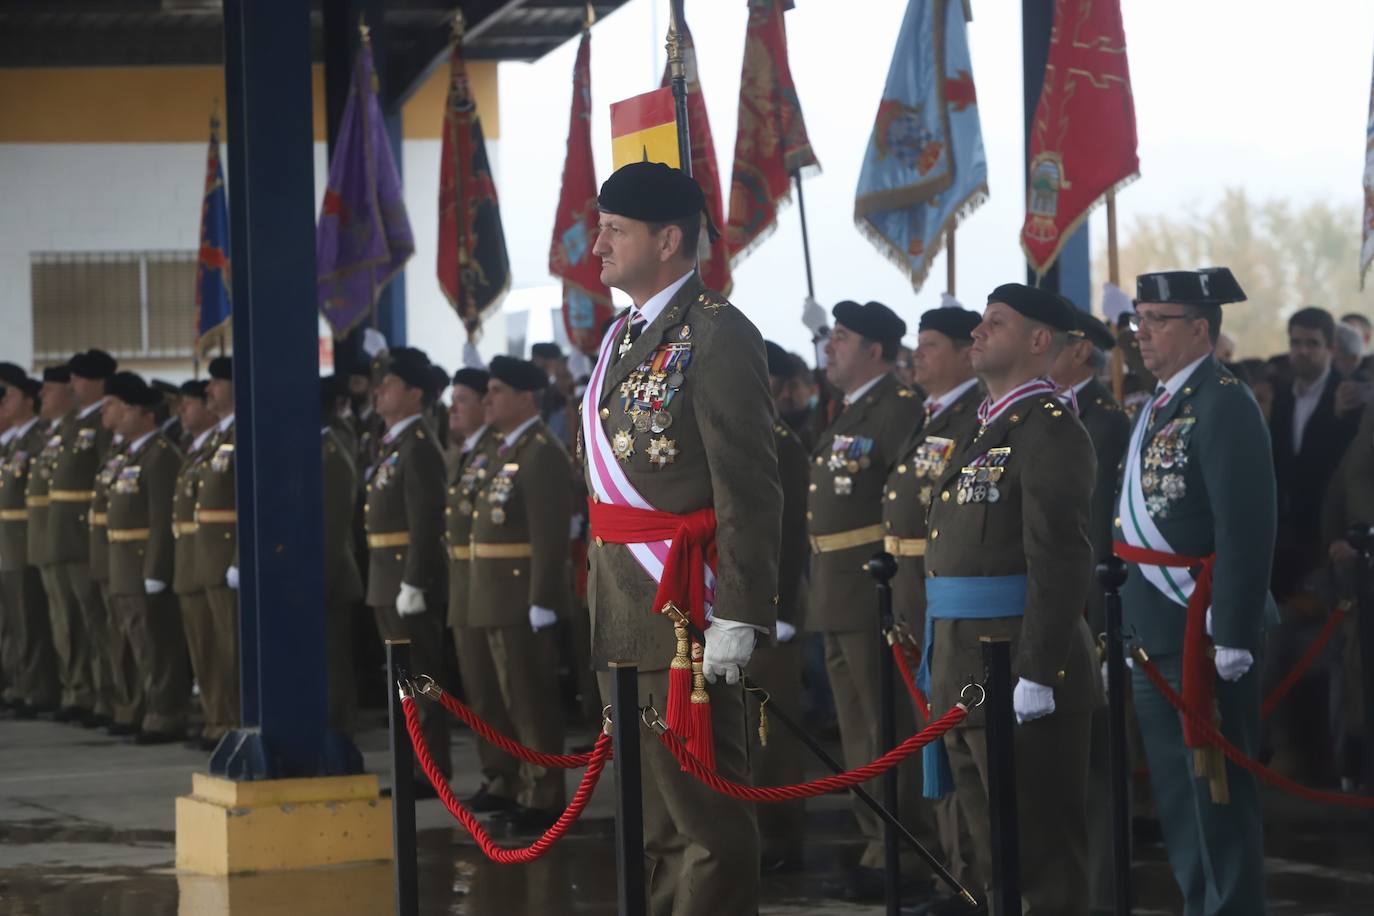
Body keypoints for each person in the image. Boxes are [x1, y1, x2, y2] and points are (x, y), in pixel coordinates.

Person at [583, 160, 781, 915]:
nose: (598, 245)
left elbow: (748, 485)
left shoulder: (717, 334)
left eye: (615, 230)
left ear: (668, 240)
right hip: (623, 613)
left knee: (707, 825)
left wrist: (740, 612)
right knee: (655, 828)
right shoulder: (622, 336)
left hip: (684, 617)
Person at [922, 283, 1100, 915]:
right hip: (967, 665)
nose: (977, 331)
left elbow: (1060, 557)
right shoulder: (987, 427)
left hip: (1017, 664)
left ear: (1038, 340)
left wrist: (1039, 669)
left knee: (1041, 855)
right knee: (994, 853)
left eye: (995, 323)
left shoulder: (1049, 430)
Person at [1113, 268, 1276, 916]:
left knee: (1218, 796)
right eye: (1139, 320)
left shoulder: (1224, 401)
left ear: (1200, 328)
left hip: (1202, 630)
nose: (1142, 334)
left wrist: (1232, 629)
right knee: (1180, 799)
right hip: (1155, 631)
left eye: (1157, 321)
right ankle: (1199, 905)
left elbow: (1246, 525)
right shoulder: (1158, 404)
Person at [808, 299, 931, 897]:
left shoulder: (898, 409)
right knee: (857, 731)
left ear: (874, 350)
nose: (829, 347)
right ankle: (876, 843)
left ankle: (904, 851)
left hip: (872, 589)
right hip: (836, 590)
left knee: (887, 727)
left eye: (841, 337)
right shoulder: (853, 411)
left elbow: (910, 506)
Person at [882, 306, 984, 895]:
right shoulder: (933, 414)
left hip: (939, 590)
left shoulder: (973, 416)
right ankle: (953, 871)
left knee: (955, 739)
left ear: (967, 353)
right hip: (911, 590)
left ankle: (970, 879)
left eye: (932, 345)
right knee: (931, 738)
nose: (917, 355)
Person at [463, 355, 572, 830]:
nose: (487, 401)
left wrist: (543, 598)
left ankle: (543, 794)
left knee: (530, 701)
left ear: (526, 398)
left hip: (521, 596)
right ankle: (518, 783)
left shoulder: (541, 451)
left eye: (497, 392)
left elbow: (550, 536)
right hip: (494, 594)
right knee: (505, 699)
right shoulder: (506, 449)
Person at [1049, 310, 1133, 915]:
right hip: (1056, 611)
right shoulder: (1049, 413)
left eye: (1054, 342)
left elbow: (1100, 533)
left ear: (1081, 352)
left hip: (1091, 613)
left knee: (1099, 768)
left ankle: (1102, 896)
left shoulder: (1103, 421)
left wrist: (1104, 629)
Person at [364, 346, 450, 794]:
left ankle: (428, 769)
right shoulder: (394, 443)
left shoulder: (418, 446)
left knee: (419, 678)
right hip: (386, 576)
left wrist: (415, 580)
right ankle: (412, 767)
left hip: (405, 578)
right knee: (400, 681)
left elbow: (426, 521)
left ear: (415, 393)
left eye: (391, 384)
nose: (379, 392)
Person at [749, 341, 812, 872]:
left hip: (770, 603)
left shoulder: (780, 443)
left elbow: (791, 535)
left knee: (771, 730)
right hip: (730, 600)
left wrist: (785, 608)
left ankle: (781, 836)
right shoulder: (738, 432)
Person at [103, 371, 188, 743]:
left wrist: (156, 569)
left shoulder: (160, 456)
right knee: (132, 644)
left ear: (143, 413)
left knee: (157, 645)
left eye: (119, 407)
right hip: (122, 563)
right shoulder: (128, 454)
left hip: (142, 563)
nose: (111, 413)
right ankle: (138, 709)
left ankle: (165, 714)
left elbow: (160, 519)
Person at [47, 349, 118, 727]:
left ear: (98, 382)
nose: (72, 385)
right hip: (62, 536)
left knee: (96, 622)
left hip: (84, 536)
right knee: (70, 622)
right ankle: (80, 691)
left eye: (79, 378)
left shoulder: (103, 423)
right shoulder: (72, 423)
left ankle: (106, 696)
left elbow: (105, 478)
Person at [0, 367, 59, 717]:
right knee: (11, 622)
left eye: (7, 395)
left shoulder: (38, 439)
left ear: (27, 399)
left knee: (29, 620)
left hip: (24, 543)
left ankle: (36, 689)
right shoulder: (14, 444)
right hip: (7, 544)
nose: (3, 404)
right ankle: (18, 684)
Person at [171, 380, 220, 749]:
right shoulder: (201, 448)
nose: (181, 412)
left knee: (219, 648)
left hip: (214, 560)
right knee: (202, 649)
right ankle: (213, 719)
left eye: (189, 404)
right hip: (194, 560)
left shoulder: (222, 444)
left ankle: (225, 720)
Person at [193, 356, 240, 740]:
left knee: (232, 647)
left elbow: (250, 502)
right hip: (208, 558)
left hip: (227, 558)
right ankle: (220, 720)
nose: (209, 389)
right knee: (214, 647)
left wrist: (240, 558)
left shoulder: (244, 432)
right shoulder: (215, 438)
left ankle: (237, 722)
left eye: (217, 382)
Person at [90, 395, 137, 734]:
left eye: (112, 405)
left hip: (132, 561)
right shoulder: (120, 452)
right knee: (115, 636)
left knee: (141, 642)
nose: (104, 412)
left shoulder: (156, 454)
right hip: (111, 556)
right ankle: (123, 706)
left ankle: (147, 710)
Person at [320, 376, 362, 736]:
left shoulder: (331, 454)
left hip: (330, 575)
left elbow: (332, 528)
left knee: (333, 660)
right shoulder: (317, 448)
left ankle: (339, 732)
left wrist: (317, 582)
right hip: (318, 574)